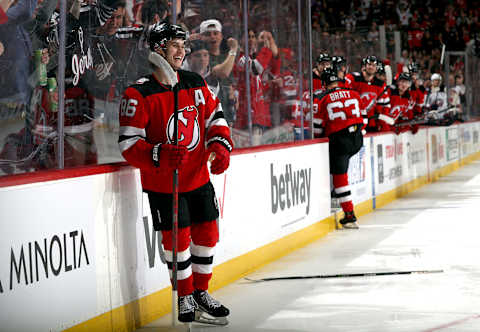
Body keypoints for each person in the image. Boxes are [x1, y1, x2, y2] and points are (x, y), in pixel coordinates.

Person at [118, 22, 232, 324]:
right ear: (158, 49)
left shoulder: (194, 81)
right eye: (174, 44)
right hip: (164, 184)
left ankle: (200, 292)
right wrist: (157, 153)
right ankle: (184, 295)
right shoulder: (138, 92)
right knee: (177, 240)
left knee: (207, 234)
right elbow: (128, 143)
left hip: (198, 178)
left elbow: (215, 116)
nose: (182, 50)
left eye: (184, 45)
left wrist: (220, 145)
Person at [313, 67, 364, 229]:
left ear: (325, 83)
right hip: (357, 138)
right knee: (338, 170)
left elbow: (317, 128)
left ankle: (349, 214)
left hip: (340, 139)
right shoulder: (354, 93)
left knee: (339, 177)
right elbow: (363, 118)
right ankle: (337, 197)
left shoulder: (322, 98)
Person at [345, 55, 390, 132]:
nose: (371, 67)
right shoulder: (353, 78)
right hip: (354, 121)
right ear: (364, 66)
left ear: (376, 68)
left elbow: (384, 106)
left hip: (371, 124)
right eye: (369, 64)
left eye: (374, 65)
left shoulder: (380, 85)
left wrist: (382, 123)